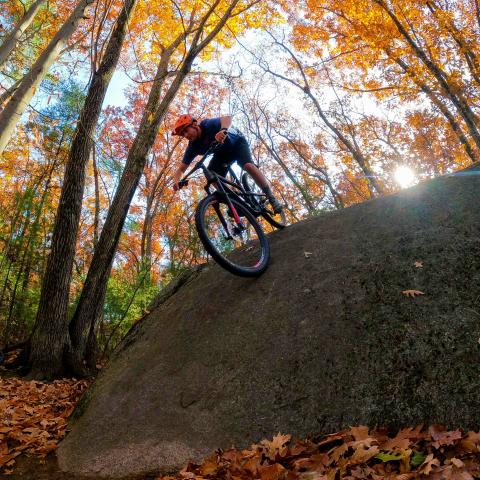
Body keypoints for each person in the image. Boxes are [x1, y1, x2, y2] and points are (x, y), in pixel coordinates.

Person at [171, 114, 283, 213]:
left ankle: (271, 197)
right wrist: (176, 180)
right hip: (222, 154)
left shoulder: (207, 125)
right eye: (182, 134)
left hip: (237, 143)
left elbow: (227, 118)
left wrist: (223, 130)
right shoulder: (193, 147)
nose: (185, 135)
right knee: (211, 175)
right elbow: (181, 169)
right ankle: (236, 202)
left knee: (248, 166)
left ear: (194, 125)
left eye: (186, 130)